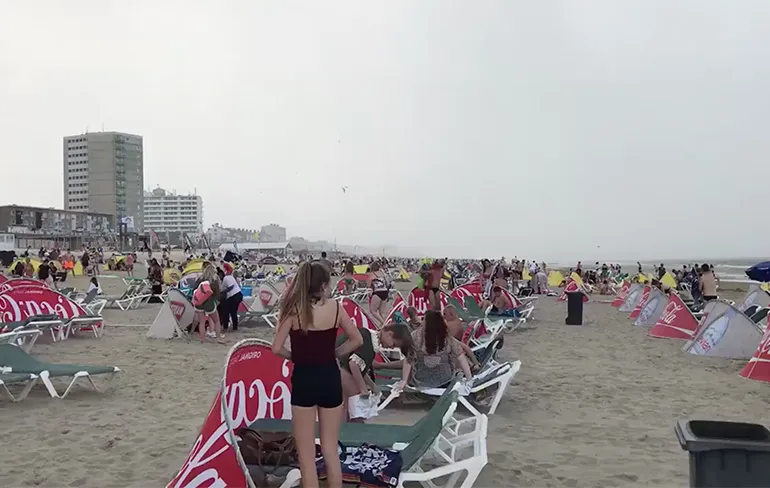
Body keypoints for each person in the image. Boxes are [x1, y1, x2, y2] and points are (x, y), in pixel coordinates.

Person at [271, 261, 363, 488]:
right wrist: (335, 353)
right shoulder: (336, 308)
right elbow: (357, 339)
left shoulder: (293, 309)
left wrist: (295, 357)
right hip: (330, 378)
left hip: (304, 379)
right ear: (322, 285)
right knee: (330, 449)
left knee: (307, 456)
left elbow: (275, 348)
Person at [338, 323, 411, 422]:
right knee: (356, 398)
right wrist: (363, 388)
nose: (392, 347)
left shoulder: (369, 339)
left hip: (336, 363)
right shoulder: (368, 342)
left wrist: (373, 386)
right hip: (336, 364)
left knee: (347, 403)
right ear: (389, 334)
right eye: (394, 344)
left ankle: (343, 429)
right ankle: (353, 426)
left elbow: (360, 369)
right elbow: (353, 365)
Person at [398, 310, 473, 391]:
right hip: (445, 381)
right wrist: (469, 379)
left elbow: (408, 359)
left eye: (424, 319)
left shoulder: (416, 336)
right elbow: (460, 357)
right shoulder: (446, 338)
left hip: (421, 381)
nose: (422, 321)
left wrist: (404, 380)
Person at [193, 263, 225, 343]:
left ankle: (203, 339)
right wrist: (216, 301)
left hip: (199, 302)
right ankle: (218, 338)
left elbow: (194, 287)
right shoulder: (214, 280)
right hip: (209, 302)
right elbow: (217, 293)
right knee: (216, 321)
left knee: (202, 322)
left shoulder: (201, 278)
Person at [219, 262, 243, 331]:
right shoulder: (230, 277)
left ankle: (226, 326)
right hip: (238, 294)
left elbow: (225, 288)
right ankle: (235, 327)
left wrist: (223, 291)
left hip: (234, 296)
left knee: (227, 311)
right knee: (233, 312)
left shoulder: (226, 278)